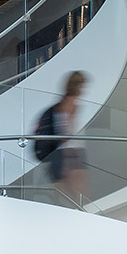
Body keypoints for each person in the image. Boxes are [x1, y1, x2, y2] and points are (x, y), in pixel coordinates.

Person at [32, 70, 89, 203]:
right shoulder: (68, 105)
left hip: (66, 155)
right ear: (78, 86)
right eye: (83, 86)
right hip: (68, 155)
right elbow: (66, 134)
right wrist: (67, 161)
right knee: (76, 198)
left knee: (69, 197)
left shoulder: (66, 104)